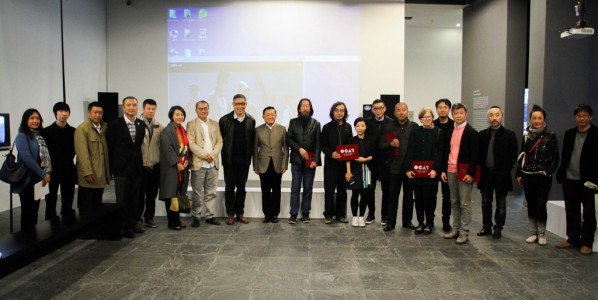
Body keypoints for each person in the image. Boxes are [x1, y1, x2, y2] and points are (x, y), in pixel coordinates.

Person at [555, 104, 596, 255]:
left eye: (585, 115)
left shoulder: (596, 134)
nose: (582, 118)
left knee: (589, 213)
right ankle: (572, 238)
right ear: (575, 117)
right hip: (569, 178)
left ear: (590, 117)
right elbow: (565, 155)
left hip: (588, 181)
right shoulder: (569, 133)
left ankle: (586, 242)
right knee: (571, 210)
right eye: (579, 115)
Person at [516, 104, 559, 246]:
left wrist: (547, 171)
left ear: (544, 119)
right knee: (531, 203)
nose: (537, 121)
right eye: (534, 118)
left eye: (539, 118)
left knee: (541, 203)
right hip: (528, 174)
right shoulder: (526, 136)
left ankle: (542, 233)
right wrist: (519, 174)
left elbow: (555, 157)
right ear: (530, 119)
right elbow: (522, 156)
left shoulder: (550, 136)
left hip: (542, 176)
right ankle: (533, 232)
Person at [106, 96, 145, 238]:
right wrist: (111, 170)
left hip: (137, 168)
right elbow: (110, 148)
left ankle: (133, 223)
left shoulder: (141, 125)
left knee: (136, 198)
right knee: (122, 199)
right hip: (121, 169)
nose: (132, 107)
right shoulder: (115, 125)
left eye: (134, 105)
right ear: (123, 107)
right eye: (128, 105)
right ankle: (124, 226)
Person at [476, 106, 518, 239]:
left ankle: (498, 227)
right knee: (485, 202)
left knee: (501, 203)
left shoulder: (509, 135)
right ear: (488, 117)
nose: (494, 118)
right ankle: (486, 226)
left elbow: (513, 154)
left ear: (502, 116)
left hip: (501, 175)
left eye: (497, 115)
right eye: (491, 115)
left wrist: (506, 168)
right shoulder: (482, 134)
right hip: (486, 174)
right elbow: (479, 155)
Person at [441, 103, 479, 244]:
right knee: (454, 201)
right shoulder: (451, 131)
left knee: (464, 203)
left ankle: (464, 232)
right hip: (451, 170)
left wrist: (471, 173)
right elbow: (448, 151)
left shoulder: (471, 132)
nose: (458, 116)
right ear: (452, 115)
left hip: (464, 173)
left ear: (466, 114)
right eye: (456, 113)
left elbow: (475, 156)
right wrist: (444, 170)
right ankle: (455, 229)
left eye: (461, 113)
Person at [11, 109, 51, 231]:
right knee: (28, 212)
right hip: (27, 179)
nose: (35, 121)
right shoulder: (22, 136)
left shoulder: (39, 136)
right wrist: (43, 174)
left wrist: (45, 173)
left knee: (34, 212)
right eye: (32, 118)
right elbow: (27, 158)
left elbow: (43, 157)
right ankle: (25, 241)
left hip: (38, 179)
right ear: (26, 120)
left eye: (37, 118)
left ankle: (32, 241)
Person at [404, 108, 443, 235]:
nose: (427, 119)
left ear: (432, 117)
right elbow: (410, 151)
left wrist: (435, 170)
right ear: (420, 119)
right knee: (418, 198)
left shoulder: (438, 132)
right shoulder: (415, 132)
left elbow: (439, 153)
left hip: (431, 172)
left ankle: (429, 223)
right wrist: (408, 169)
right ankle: (420, 222)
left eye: (429, 116)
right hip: (417, 171)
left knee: (429, 199)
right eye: (424, 117)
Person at [219, 94, 256, 225]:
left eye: (243, 104)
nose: (240, 106)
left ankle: (240, 213)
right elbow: (221, 141)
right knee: (229, 188)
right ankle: (230, 214)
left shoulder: (251, 120)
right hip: (229, 160)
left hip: (244, 160)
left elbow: (252, 142)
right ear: (233, 104)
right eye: (237, 104)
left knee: (241, 188)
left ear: (246, 104)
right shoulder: (224, 120)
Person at [381, 102, 418, 232]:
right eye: (398, 110)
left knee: (409, 197)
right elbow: (381, 146)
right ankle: (390, 222)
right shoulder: (389, 127)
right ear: (394, 112)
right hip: (394, 168)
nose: (401, 112)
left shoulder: (414, 127)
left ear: (408, 112)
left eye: (404, 110)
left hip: (409, 169)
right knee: (392, 196)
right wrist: (390, 144)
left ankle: (407, 221)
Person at [187, 100, 223, 227]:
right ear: (196, 110)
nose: (203, 111)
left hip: (213, 164)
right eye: (201, 109)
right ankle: (196, 216)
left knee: (211, 191)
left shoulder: (215, 124)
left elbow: (219, 142)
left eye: (205, 108)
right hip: (198, 164)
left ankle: (210, 216)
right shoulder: (191, 124)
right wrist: (204, 155)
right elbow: (191, 143)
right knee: (197, 192)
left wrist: (212, 155)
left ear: (209, 109)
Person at [287, 98, 321, 224]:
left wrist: (316, 160)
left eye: (308, 106)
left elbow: (318, 143)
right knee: (295, 187)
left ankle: (306, 213)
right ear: (299, 108)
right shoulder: (293, 122)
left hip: (310, 160)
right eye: (303, 106)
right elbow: (288, 139)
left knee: (308, 187)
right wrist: (299, 148)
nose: (306, 108)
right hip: (296, 160)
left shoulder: (316, 123)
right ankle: (293, 213)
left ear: (310, 108)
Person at [41, 102, 76, 222]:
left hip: (68, 169)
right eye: (61, 111)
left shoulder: (73, 131)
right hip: (52, 170)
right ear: (56, 113)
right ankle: (50, 226)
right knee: (51, 200)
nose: (64, 114)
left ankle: (67, 224)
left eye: (66, 111)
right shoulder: (46, 132)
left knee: (68, 200)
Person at [254, 106, 289, 223]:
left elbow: (286, 148)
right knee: (265, 190)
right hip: (263, 164)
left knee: (276, 190)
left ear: (276, 115)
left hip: (277, 164)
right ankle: (267, 214)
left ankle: (275, 214)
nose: (270, 116)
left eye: (272, 114)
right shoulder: (258, 130)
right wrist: (255, 166)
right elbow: (255, 149)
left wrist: (284, 164)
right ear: (263, 117)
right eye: (267, 114)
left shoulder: (282, 129)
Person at [321, 101, 353, 224]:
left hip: (344, 164)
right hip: (331, 163)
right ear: (332, 112)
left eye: (342, 110)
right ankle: (328, 215)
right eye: (337, 110)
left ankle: (341, 214)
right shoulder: (327, 127)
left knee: (342, 190)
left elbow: (350, 145)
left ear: (345, 113)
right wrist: (331, 153)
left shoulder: (348, 127)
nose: (339, 113)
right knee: (329, 190)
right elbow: (323, 146)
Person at [159, 106, 190, 231]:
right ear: (171, 116)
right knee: (170, 195)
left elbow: (186, 147)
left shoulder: (182, 129)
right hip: (172, 168)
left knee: (177, 195)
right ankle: (172, 222)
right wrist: (177, 163)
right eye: (177, 114)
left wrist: (187, 160)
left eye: (182, 114)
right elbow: (168, 149)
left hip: (182, 167)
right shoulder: (168, 131)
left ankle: (177, 219)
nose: (180, 117)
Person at [75, 102, 110, 211]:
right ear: (89, 113)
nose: (97, 115)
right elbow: (82, 153)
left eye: (100, 112)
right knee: (85, 207)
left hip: (100, 174)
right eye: (95, 112)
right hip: (89, 176)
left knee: (97, 205)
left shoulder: (104, 127)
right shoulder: (82, 129)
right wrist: (87, 172)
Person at [365, 99, 394, 225]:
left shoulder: (391, 122)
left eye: (380, 108)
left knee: (385, 190)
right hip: (370, 161)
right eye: (375, 108)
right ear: (372, 110)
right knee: (369, 189)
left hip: (385, 161)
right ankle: (371, 214)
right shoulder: (367, 122)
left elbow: (391, 142)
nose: (378, 110)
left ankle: (384, 215)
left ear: (385, 108)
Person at [138, 99, 163, 228]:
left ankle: (149, 218)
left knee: (151, 195)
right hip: (141, 166)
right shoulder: (136, 124)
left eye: (153, 109)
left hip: (154, 166)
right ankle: (138, 219)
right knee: (139, 194)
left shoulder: (159, 126)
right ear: (143, 109)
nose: (151, 111)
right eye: (148, 108)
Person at [345, 117, 374, 227]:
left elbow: (374, 155)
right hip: (354, 170)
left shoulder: (370, 140)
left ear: (366, 127)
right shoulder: (351, 140)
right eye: (358, 126)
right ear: (355, 127)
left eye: (362, 126)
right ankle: (354, 217)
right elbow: (347, 157)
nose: (360, 128)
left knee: (365, 194)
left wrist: (365, 159)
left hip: (367, 170)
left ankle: (361, 217)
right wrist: (348, 171)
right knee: (354, 194)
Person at [433, 98, 455, 232]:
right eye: (440, 107)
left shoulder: (454, 125)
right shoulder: (432, 124)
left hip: (449, 165)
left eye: (445, 107)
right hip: (433, 165)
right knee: (432, 194)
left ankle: (446, 221)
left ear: (449, 109)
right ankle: (430, 219)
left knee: (447, 195)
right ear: (436, 109)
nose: (442, 109)